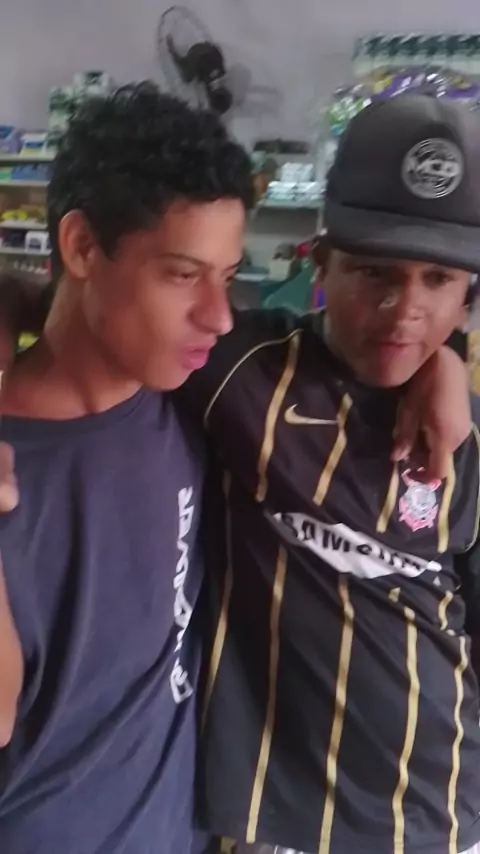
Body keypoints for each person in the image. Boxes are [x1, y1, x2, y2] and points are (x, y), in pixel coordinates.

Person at [0, 86, 473, 854]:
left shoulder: (189, 389)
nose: (218, 316)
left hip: (284, 825)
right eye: (182, 274)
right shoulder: (206, 387)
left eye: (225, 277)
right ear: (82, 246)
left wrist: (442, 361)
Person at [175, 95, 480, 854]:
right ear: (318, 262)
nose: (403, 309)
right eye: (372, 271)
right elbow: (83, 315)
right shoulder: (240, 373)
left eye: (438, 278)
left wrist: (447, 362)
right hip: (274, 817)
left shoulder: (467, 438)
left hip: (438, 815)